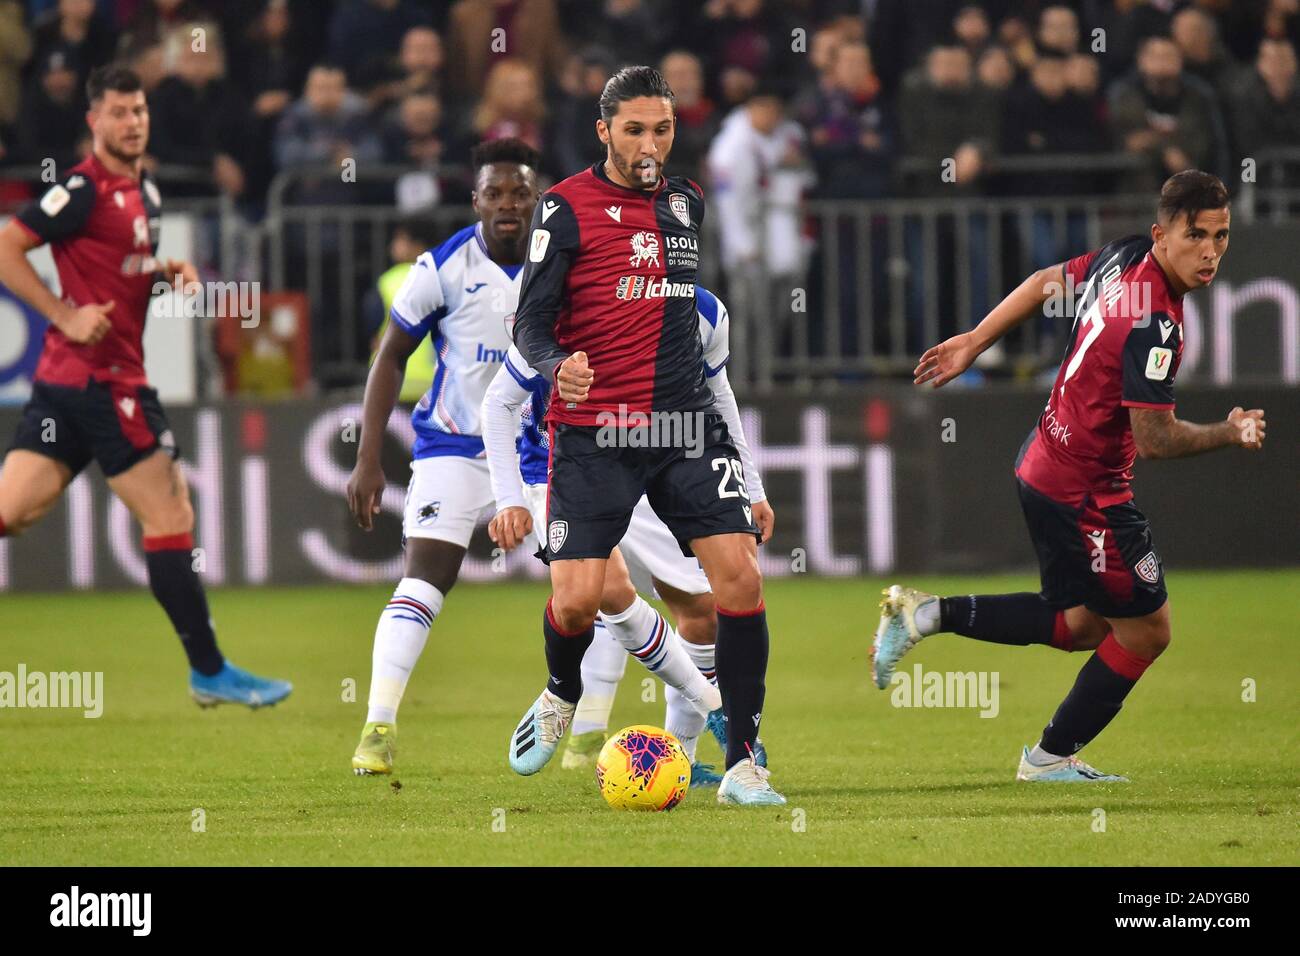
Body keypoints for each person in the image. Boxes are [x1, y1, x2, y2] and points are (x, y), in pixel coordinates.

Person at [875, 170, 1266, 782]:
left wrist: (976, 340)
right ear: (1162, 235)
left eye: (1221, 236)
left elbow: (1042, 283)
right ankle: (1048, 758)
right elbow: (1155, 440)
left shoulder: (1123, 255)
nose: (1211, 251)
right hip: (1088, 493)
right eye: (1196, 235)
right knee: (1148, 633)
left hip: (1043, 461)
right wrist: (1229, 430)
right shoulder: (1156, 322)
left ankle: (925, 616)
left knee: (1084, 624)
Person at [508, 65, 783, 806]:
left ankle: (744, 763)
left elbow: (688, 332)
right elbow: (530, 323)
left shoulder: (687, 202)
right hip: (596, 432)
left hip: (683, 424)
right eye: (634, 130)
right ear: (605, 131)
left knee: (741, 580)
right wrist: (556, 365)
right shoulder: (563, 209)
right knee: (576, 602)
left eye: (661, 129)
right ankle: (562, 689)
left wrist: (749, 478)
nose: (649, 145)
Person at [0, 64, 291, 709]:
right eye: (119, 112)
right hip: (106, 383)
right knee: (170, 514)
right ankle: (209, 670)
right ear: (93, 121)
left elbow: (116, 268)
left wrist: (164, 273)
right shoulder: (80, 189)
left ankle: (210, 671)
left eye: (139, 111)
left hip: (66, 385)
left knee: (12, 512)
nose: (132, 123)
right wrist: (64, 315)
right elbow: (6, 249)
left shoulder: (146, 191)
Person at [481, 286, 770, 786]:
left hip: (661, 455)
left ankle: (680, 756)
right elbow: (498, 401)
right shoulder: (571, 309)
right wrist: (508, 499)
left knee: (701, 609)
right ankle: (703, 704)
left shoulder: (704, 312)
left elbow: (719, 395)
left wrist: (753, 486)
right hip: (563, 464)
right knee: (601, 592)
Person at [346, 138, 540, 776]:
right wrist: (368, 458)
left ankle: (587, 732)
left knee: (593, 583)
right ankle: (378, 726)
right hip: (455, 445)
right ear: (475, 200)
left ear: (536, 199)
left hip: (539, 450)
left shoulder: (560, 262)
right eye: (494, 193)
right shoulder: (442, 267)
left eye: (519, 192)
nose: (507, 204)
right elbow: (390, 357)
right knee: (426, 577)